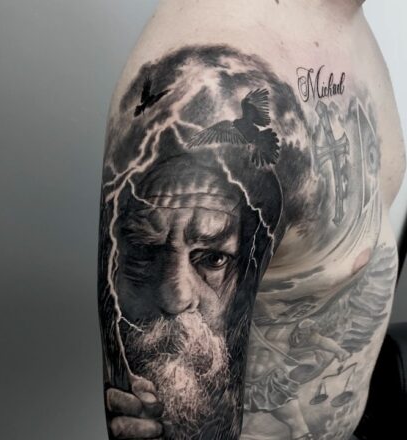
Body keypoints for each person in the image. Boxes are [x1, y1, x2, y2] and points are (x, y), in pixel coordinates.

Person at [98, 1, 405, 439]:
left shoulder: (349, 21)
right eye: (212, 258)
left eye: (210, 257)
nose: (177, 292)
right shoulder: (210, 95)